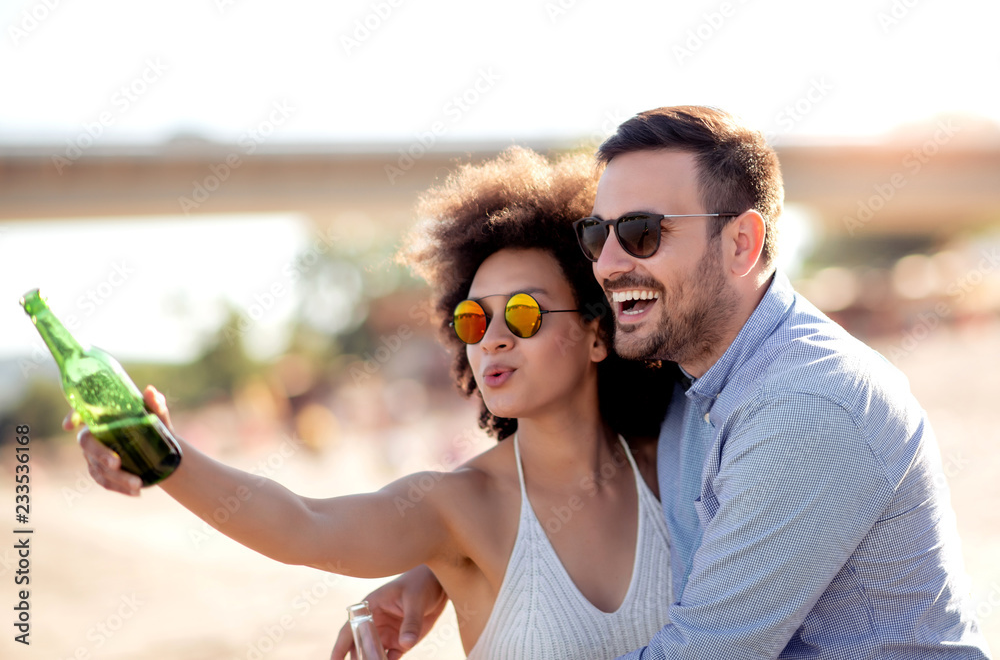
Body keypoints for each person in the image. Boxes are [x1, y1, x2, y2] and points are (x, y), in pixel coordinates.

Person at [333, 106, 992, 659]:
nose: (611, 263)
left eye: (643, 233)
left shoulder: (806, 404)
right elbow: (581, 469)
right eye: (598, 234)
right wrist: (438, 572)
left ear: (741, 244)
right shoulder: (686, 379)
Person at [70, 147, 683, 658]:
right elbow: (304, 524)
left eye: (523, 313)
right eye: (474, 319)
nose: (493, 336)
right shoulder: (459, 508)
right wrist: (163, 456)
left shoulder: (675, 462)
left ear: (599, 333)